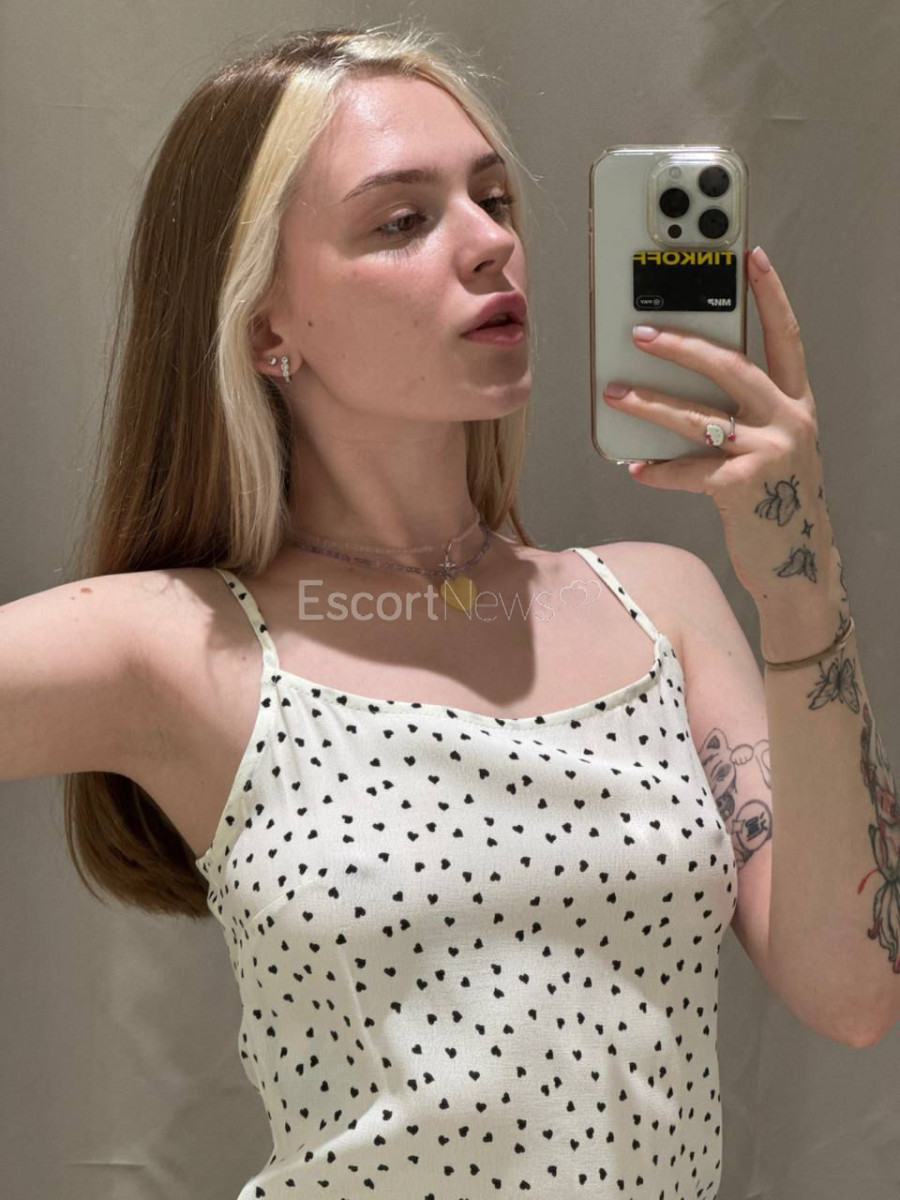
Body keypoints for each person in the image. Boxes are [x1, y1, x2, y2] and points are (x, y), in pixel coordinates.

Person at [2, 25, 738, 1197]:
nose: (491, 242)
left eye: (493, 199)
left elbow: (857, 987)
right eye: (403, 220)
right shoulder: (180, 642)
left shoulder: (660, 603)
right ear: (265, 325)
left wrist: (794, 548)